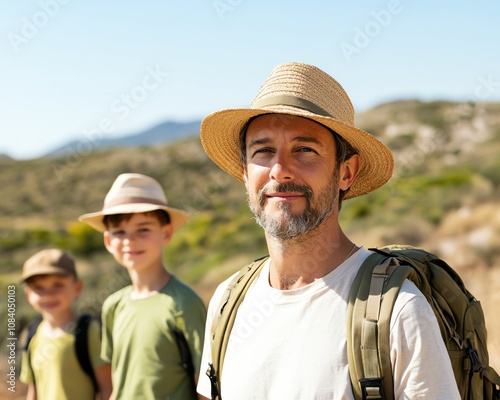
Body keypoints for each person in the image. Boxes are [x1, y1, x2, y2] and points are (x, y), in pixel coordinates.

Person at [196, 62, 461, 399]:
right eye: (263, 151)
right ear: (246, 174)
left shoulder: (398, 313)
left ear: (346, 173)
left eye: (304, 150)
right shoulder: (227, 305)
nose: (280, 171)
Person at [78, 172, 207, 400]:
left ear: (166, 233)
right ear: (108, 241)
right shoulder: (113, 306)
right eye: (119, 232)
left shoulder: (184, 303)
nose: (130, 240)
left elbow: (205, 386)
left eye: (143, 229)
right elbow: (121, 379)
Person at [19, 248, 112, 400]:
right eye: (38, 288)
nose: (48, 294)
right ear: (29, 294)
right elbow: (33, 390)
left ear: (77, 288)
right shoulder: (31, 334)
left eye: (58, 285)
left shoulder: (89, 331)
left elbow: (108, 388)